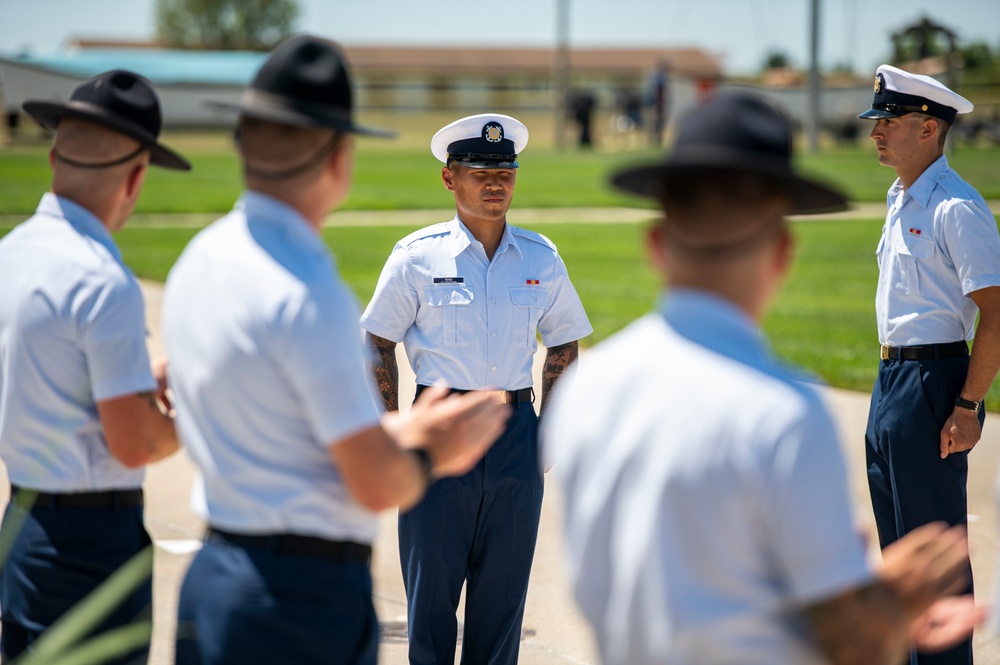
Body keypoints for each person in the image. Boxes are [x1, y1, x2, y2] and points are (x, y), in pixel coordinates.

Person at [542, 91, 986, 665]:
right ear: (782, 253)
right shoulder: (784, 413)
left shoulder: (587, 392)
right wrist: (889, 605)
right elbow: (837, 641)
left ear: (655, 244)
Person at [162, 35, 510, 665]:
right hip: (296, 596)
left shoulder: (201, 257)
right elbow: (375, 482)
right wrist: (431, 447)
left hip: (218, 572)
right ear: (339, 158)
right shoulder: (308, 290)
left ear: (243, 142)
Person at [361, 112, 593, 664]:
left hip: (514, 433)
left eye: (506, 172)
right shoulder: (417, 257)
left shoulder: (541, 258)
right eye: (478, 171)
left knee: (502, 608)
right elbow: (375, 342)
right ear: (449, 178)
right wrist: (394, 431)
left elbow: (564, 343)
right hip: (438, 434)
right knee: (432, 607)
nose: (495, 183)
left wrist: (546, 436)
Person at [0, 70, 190, 663]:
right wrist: (193, 416)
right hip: (91, 542)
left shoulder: (11, 253)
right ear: (136, 177)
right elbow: (135, 444)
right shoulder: (102, 280)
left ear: (55, 157)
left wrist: (136, 380)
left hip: (24, 523)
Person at [858, 64, 1000, 665]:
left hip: (933, 380)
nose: (876, 133)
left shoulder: (956, 207)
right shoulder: (900, 199)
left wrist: (968, 404)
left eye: (888, 121)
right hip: (890, 379)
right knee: (900, 561)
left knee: (934, 559)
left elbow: (994, 313)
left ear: (927, 127)